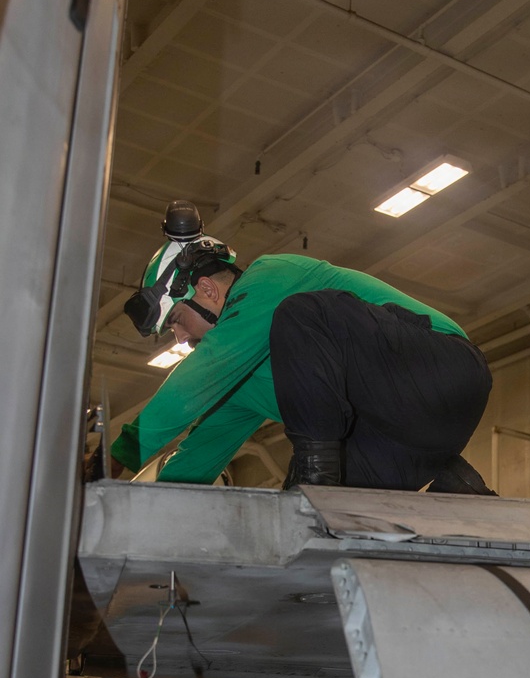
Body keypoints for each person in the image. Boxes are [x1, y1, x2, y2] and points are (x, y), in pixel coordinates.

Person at [110, 204, 494, 492]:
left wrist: (111, 459)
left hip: (441, 369)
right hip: (412, 441)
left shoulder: (270, 277)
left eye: (176, 320)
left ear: (207, 290)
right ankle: (457, 490)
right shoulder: (240, 381)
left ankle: (318, 476)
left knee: (299, 314)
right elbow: (198, 455)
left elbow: (193, 384)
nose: (180, 337)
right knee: (301, 509)